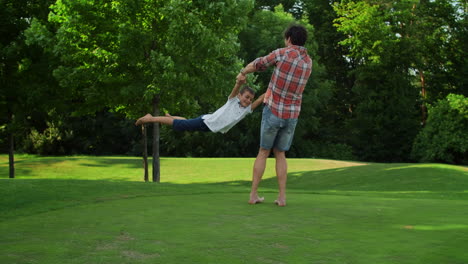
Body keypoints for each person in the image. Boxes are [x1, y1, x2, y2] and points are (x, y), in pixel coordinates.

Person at [237, 24, 312, 207]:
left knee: (263, 152)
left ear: (288, 39)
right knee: (280, 154)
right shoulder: (309, 62)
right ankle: (282, 198)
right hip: (292, 114)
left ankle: (254, 194)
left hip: (273, 110)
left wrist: (242, 72)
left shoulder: (282, 53)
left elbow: (259, 64)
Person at [135, 79, 265, 134]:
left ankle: (169, 117)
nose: (248, 101)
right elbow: (236, 88)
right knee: (180, 125)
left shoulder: (247, 110)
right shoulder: (232, 101)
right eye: (246, 97)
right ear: (240, 96)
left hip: (210, 125)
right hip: (207, 122)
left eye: (250, 99)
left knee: (186, 123)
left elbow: (260, 99)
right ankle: (150, 118)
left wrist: (273, 89)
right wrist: (239, 82)